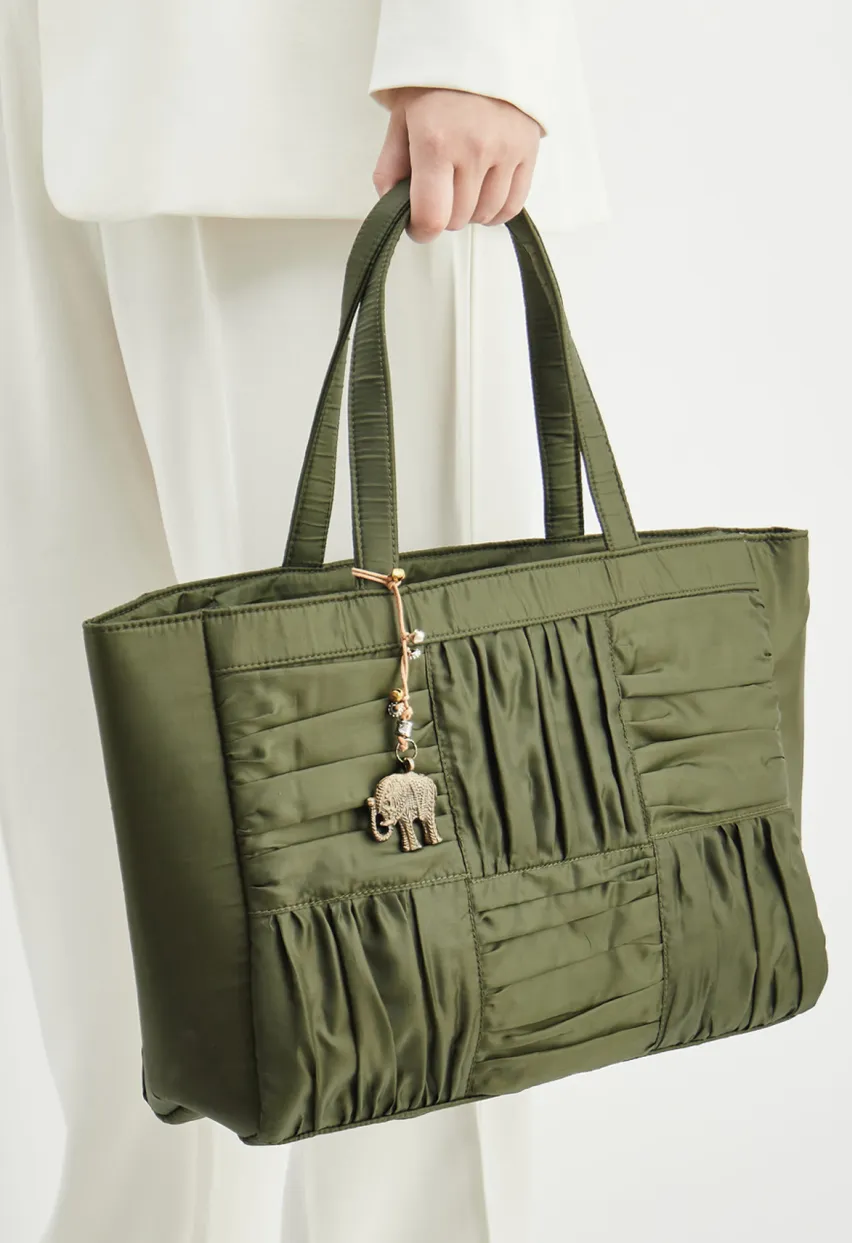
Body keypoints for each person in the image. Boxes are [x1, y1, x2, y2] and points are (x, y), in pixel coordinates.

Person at [0, 2, 607, 1239]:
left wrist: (478, 40)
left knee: (403, 910)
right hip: (49, 90)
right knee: (104, 841)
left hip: (322, 103)